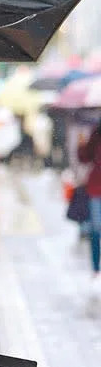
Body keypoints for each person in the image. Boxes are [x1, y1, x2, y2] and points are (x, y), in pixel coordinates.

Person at [78, 122, 101, 293]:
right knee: (96, 229)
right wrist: (81, 144)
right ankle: (95, 269)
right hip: (96, 188)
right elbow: (84, 157)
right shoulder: (97, 132)